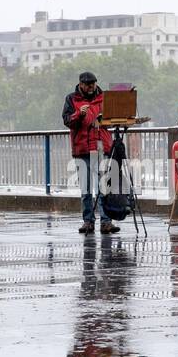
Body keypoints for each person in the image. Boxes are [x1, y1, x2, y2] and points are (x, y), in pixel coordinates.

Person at [62, 70, 119, 235]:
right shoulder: (71, 99)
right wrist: (79, 115)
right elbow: (67, 121)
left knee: (103, 187)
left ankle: (106, 221)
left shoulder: (104, 98)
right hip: (82, 149)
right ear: (81, 84)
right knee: (86, 189)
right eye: (88, 85)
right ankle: (88, 221)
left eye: (93, 84)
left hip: (101, 147)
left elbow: (111, 120)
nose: (91, 87)